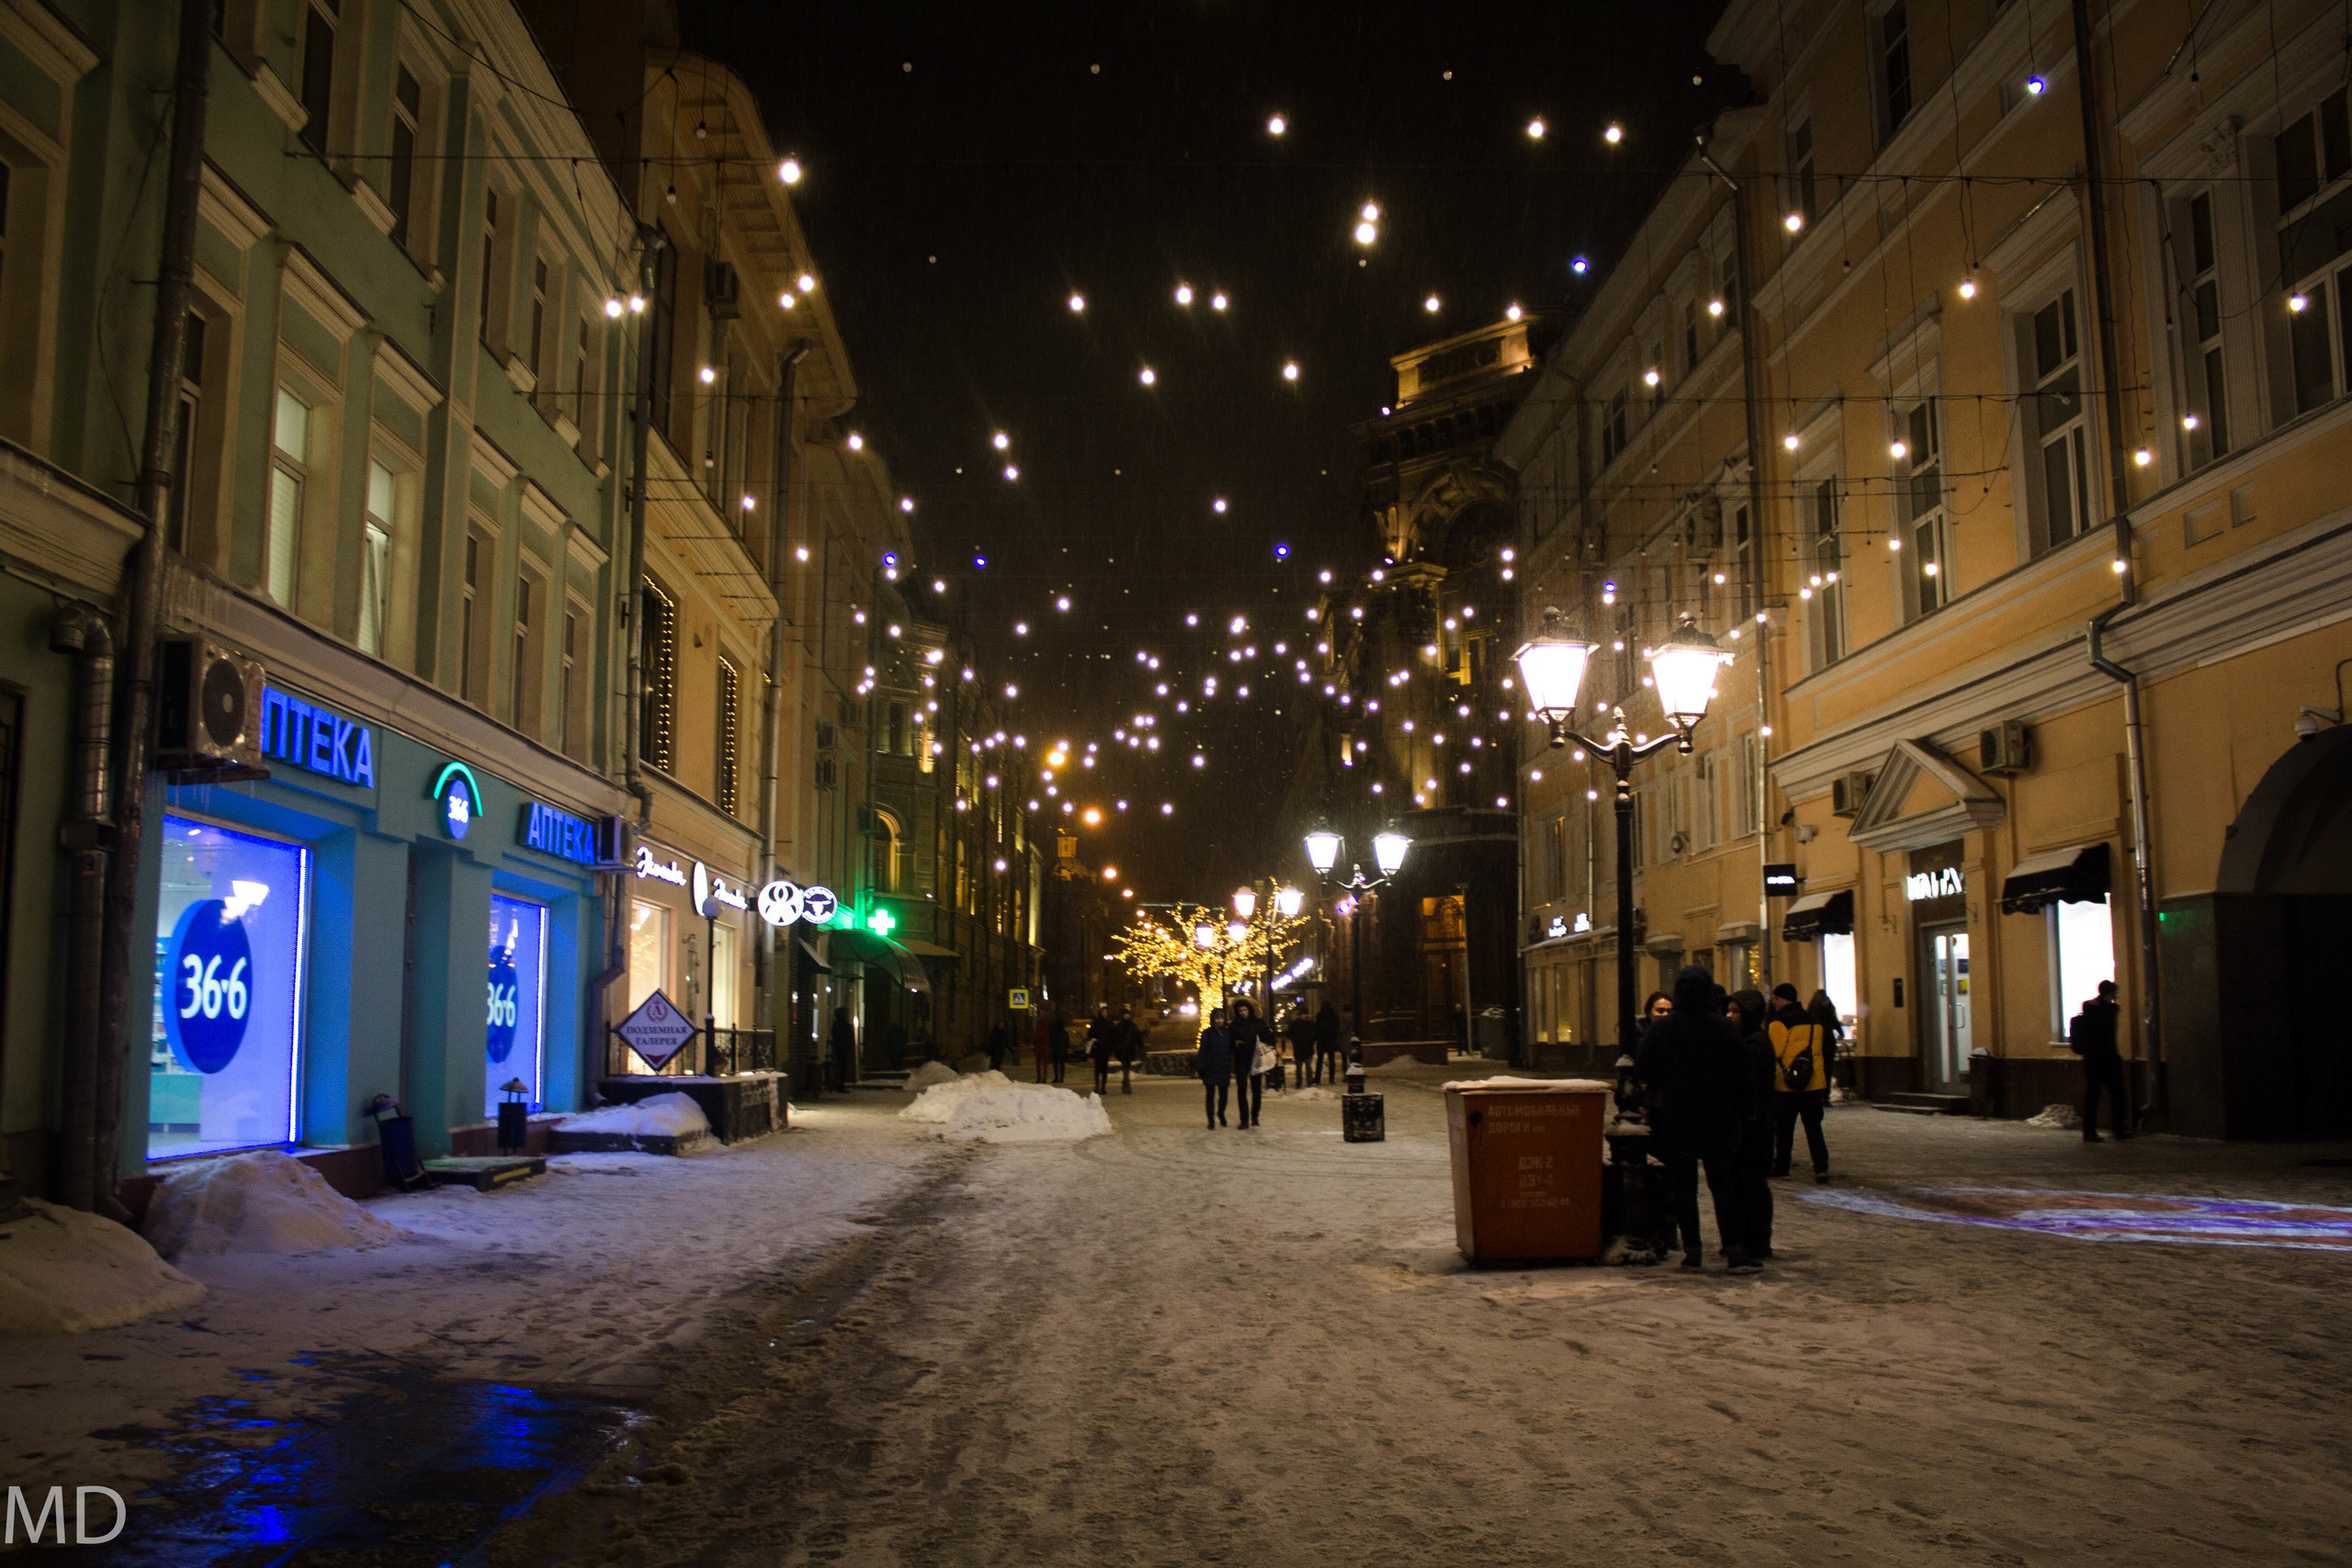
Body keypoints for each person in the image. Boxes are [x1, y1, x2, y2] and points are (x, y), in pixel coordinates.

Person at [1634, 965, 1758, 1273]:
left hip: (1678, 1116)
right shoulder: (1722, 1027)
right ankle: (1734, 1249)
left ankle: (1693, 1250)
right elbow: (1743, 1071)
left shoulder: (1664, 1029)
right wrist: (1746, 1108)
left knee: (1684, 1186)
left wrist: (1664, 1086)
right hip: (1718, 1115)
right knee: (1722, 1183)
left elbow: (1645, 1067)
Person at [1726, 989, 1777, 1259]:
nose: (1729, 1015)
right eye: (1729, 1010)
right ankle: (1746, 1237)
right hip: (1748, 1123)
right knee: (1743, 1182)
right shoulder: (1745, 1040)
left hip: (1754, 1126)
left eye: (1735, 1011)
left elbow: (1746, 1085)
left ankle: (1756, 1240)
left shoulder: (1754, 1043)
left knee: (1752, 1183)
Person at [1769, 983, 1832, 1181]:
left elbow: (1775, 1052)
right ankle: (1821, 1167)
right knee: (1814, 1128)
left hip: (1787, 1083)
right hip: (1812, 1083)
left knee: (1785, 1128)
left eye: (1776, 998)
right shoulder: (1814, 1021)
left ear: (1786, 1000)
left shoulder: (1779, 1023)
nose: (1773, 1002)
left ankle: (1782, 1166)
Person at [2070, 979, 2131, 1142]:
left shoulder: (2097, 1008)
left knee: (2097, 1095)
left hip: (2096, 1060)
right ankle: (2113, 1130)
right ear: (2108, 994)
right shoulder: (2100, 1010)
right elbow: (2105, 1036)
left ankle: (2094, 1131)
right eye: (2113, 994)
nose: (2115, 997)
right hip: (2102, 1059)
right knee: (2107, 1094)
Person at [1228, 999, 1273, 1127]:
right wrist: (1235, 1044)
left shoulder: (1258, 1023)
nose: (1243, 1013)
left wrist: (1263, 1042)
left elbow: (1269, 1038)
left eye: (1245, 1010)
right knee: (1241, 1089)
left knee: (1256, 1089)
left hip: (1256, 1059)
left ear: (1250, 1010)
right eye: (1240, 1011)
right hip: (1241, 1059)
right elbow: (1229, 1042)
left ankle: (1255, 1116)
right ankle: (1244, 1119)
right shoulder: (1235, 1025)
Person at [1196, 1007, 1235, 1129]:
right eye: (1217, 1018)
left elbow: (1232, 1049)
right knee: (1210, 1096)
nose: (1219, 1021)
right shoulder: (1207, 1033)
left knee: (1224, 1096)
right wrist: (1201, 1067)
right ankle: (1211, 1120)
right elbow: (1202, 1051)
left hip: (1223, 1067)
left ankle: (1221, 1113)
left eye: (1221, 1018)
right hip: (1210, 1067)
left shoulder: (1228, 1033)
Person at [1087, 1004, 1115, 1095]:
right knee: (1098, 1068)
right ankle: (1097, 1086)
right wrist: (1095, 1041)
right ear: (1100, 1013)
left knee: (1104, 1069)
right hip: (1098, 1048)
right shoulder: (1096, 1022)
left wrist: (1111, 1049)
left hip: (1106, 1049)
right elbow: (1090, 1034)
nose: (1105, 1014)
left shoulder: (1109, 1023)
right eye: (1103, 1012)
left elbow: (1112, 1036)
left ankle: (1103, 1087)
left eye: (1106, 1012)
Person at [1315, 1000, 1343, 1085]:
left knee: (1320, 1060)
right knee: (1331, 1060)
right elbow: (1337, 1026)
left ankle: (1317, 1078)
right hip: (1331, 1040)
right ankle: (1331, 1078)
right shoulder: (1334, 1015)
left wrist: (1317, 1037)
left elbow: (1317, 1028)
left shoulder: (1319, 1015)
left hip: (1322, 1040)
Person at [828, 1008, 856, 1092]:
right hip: (842, 1048)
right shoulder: (843, 1025)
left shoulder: (837, 1024)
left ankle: (838, 1084)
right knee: (842, 1067)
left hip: (839, 1048)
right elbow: (847, 1036)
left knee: (840, 1066)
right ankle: (840, 1084)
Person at [1286, 1008, 1317, 1086]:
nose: (1305, 1016)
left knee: (1307, 1067)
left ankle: (1306, 1082)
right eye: (1304, 1014)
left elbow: (1315, 1033)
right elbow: (1289, 1034)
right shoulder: (1296, 1023)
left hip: (1304, 1048)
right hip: (1301, 1048)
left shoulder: (1308, 1023)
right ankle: (1301, 1082)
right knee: (1301, 1067)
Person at [1115, 1006, 1142, 1093]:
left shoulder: (1133, 1026)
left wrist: (1140, 1045)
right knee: (1125, 1067)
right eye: (1125, 1014)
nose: (1127, 1016)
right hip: (1122, 1050)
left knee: (1127, 1067)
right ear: (1122, 1016)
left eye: (1128, 1014)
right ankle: (1127, 1086)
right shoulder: (1119, 1026)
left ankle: (1125, 1083)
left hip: (1130, 1050)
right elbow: (1115, 1038)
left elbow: (1138, 1036)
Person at [1031, 1010, 1053, 1083]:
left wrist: (1034, 1047)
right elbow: (1050, 1040)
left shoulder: (1038, 1030)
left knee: (1039, 1065)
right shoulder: (1048, 1030)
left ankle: (1039, 1077)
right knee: (1045, 1064)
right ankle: (1044, 1078)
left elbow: (1035, 1039)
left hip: (1039, 1048)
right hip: (1045, 1048)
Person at [1049, 1010, 1069, 1083]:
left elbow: (1051, 1041)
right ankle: (1061, 1078)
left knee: (1056, 1065)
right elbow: (1067, 1042)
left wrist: (1051, 1047)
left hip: (1056, 1050)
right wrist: (1066, 1048)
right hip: (1062, 1050)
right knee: (1062, 1065)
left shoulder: (1054, 1032)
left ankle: (1057, 1077)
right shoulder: (1064, 1032)